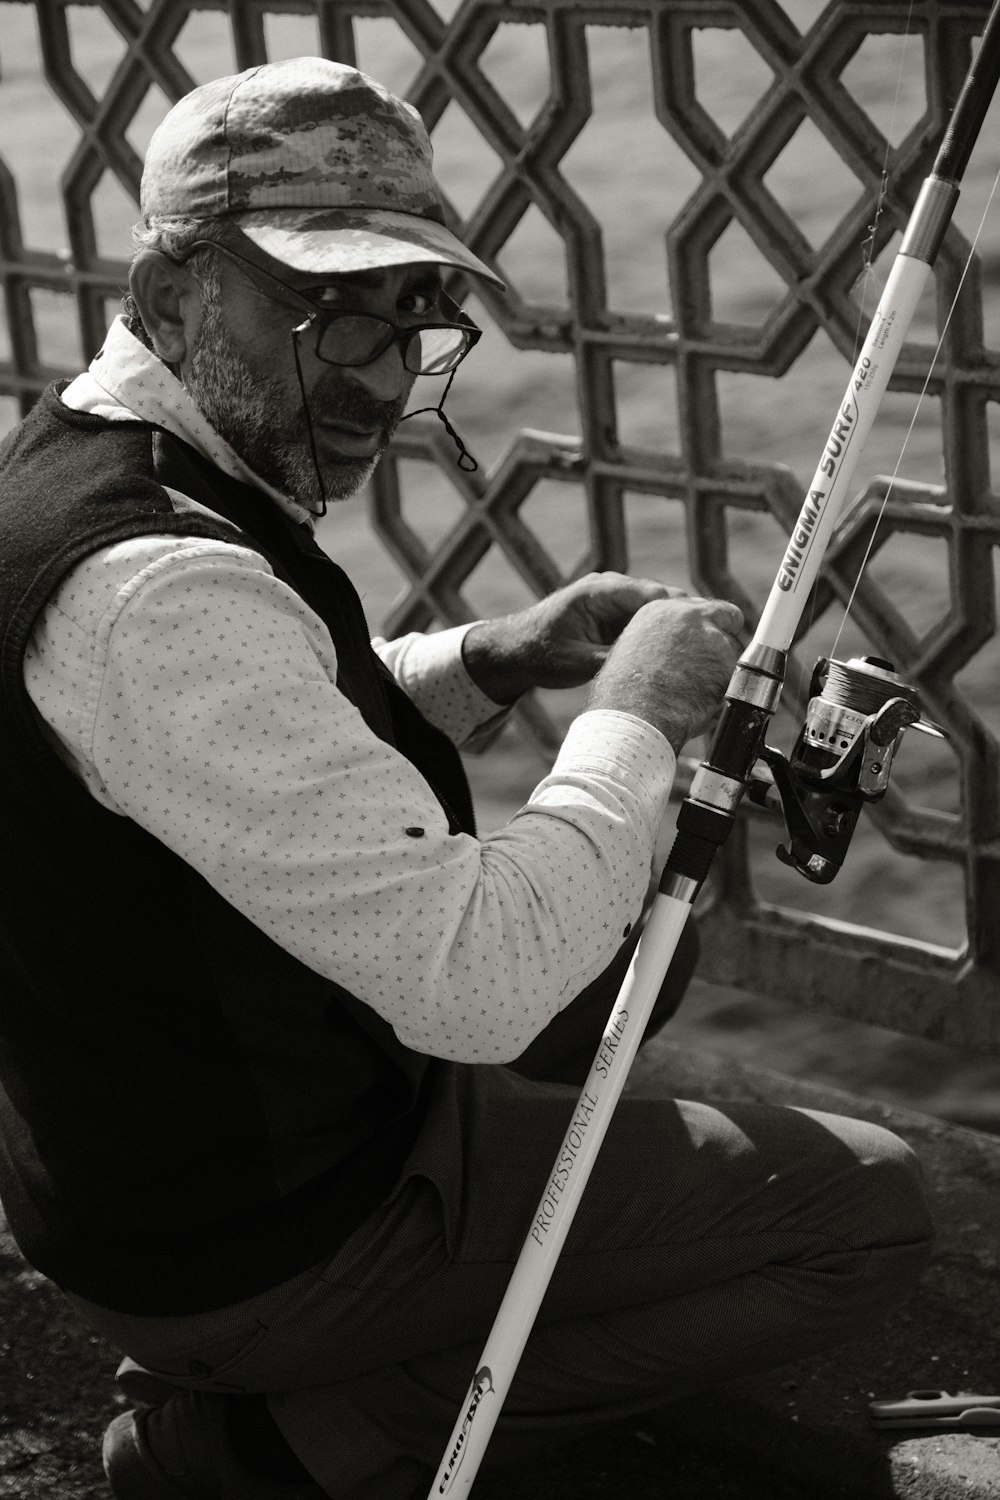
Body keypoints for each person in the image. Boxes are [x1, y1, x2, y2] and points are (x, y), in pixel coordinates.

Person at [0, 56, 932, 1500]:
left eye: (414, 320)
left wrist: (489, 658)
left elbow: (244, 729)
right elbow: (482, 983)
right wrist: (635, 712)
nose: (379, 380)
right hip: (242, 1238)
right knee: (868, 1211)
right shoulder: (156, 593)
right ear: (180, 288)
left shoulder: (85, 469)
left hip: (155, 1167)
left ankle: (302, 1363)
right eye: (328, 315)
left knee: (621, 958)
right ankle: (269, 1440)